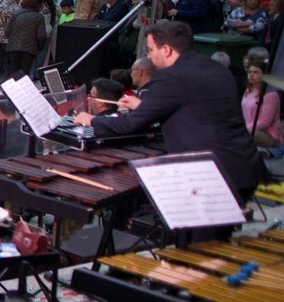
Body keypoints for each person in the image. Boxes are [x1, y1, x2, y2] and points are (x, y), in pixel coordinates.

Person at [78, 20, 261, 200]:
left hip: (211, 174)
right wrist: (143, 106)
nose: (149, 57)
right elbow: (197, 108)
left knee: (190, 228)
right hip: (244, 165)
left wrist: (92, 120)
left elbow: (130, 124)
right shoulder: (213, 66)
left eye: (150, 50)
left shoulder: (171, 77)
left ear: (166, 50)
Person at [243, 63, 282, 150]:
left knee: (241, 132)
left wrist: (243, 127)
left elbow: (266, 121)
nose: (251, 75)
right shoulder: (248, 91)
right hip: (249, 129)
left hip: (268, 134)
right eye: (250, 72)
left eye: (256, 72)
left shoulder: (270, 94)